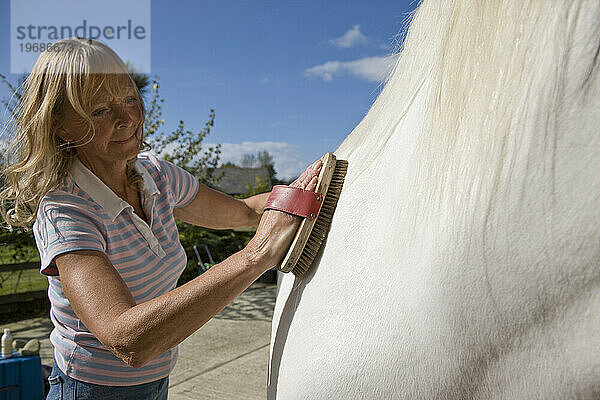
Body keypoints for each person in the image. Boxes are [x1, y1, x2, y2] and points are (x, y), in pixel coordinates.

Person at [0, 37, 322, 399]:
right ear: (61, 126)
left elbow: (245, 211)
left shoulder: (156, 176)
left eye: (129, 98)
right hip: (91, 390)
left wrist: (308, 193)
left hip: (156, 381)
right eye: (100, 110)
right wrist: (256, 256)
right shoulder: (65, 211)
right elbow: (129, 340)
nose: (128, 119)